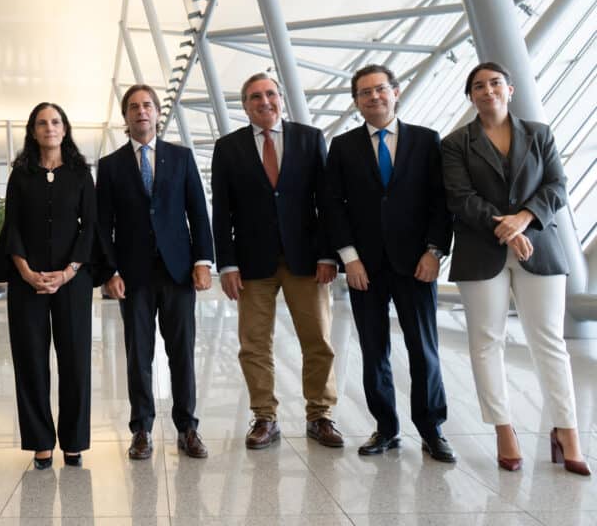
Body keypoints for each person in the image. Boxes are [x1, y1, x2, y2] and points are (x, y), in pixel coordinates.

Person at [442, 61, 589, 476]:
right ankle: (504, 430)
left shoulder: (538, 134)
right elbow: (460, 197)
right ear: (470, 96)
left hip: (538, 246)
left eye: (494, 83)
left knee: (548, 341)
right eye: (478, 86)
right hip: (479, 248)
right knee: (487, 341)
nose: (487, 91)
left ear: (510, 89)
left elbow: (556, 186)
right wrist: (505, 229)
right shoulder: (455, 143)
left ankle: (567, 431)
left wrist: (522, 220)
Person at [324, 64, 454, 462]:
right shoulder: (343, 147)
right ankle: (386, 427)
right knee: (373, 349)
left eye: (380, 89)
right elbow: (332, 207)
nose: (374, 97)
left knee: (424, 350)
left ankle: (432, 429)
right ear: (357, 101)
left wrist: (434, 252)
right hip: (366, 267)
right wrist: (350, 259)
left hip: (417, 264)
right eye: (365, 93)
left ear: (395, 92)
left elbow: (441, 202)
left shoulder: (427, 141)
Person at [211, 74, 342, 451]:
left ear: (281, 98)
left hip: (307, 258)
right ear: (245, 105)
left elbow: (327, 202)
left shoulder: (310, 138)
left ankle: (320, 415)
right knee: (253, 344)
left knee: (317, 340)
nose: (263, 101)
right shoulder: (228, 148)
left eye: (270, 94)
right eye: (255, 97)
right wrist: (227, 264)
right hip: (252, 263)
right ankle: (264, 417)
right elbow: (223, 211)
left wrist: (327, 254)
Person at [96, 84, 213, 460]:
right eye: (133, 106)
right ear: (125, 117)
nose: (141, 111)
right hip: (133, 276)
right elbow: (103, 224)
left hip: (178, 271)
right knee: (138, 354)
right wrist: (109, 271)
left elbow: (197, 210)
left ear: (157, 113)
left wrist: (202, 261)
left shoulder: (180, 157)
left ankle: (188, 428)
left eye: (147, 105)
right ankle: (141, 429)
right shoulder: (111, 165)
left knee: (182, 353)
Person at [0, 102, 96, 469]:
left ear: (65, 129)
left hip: (72, 281)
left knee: (75, 360)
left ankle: (74, 441)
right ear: (33, 131)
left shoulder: (81, 173)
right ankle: (40, 442)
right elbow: (12, 225)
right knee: (31, 360)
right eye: (41, 123)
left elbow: (90, 228)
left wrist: (68, 272)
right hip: (26, 281)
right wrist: (25, 270)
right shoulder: (21, 174)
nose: (49, 128)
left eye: (55, 122)